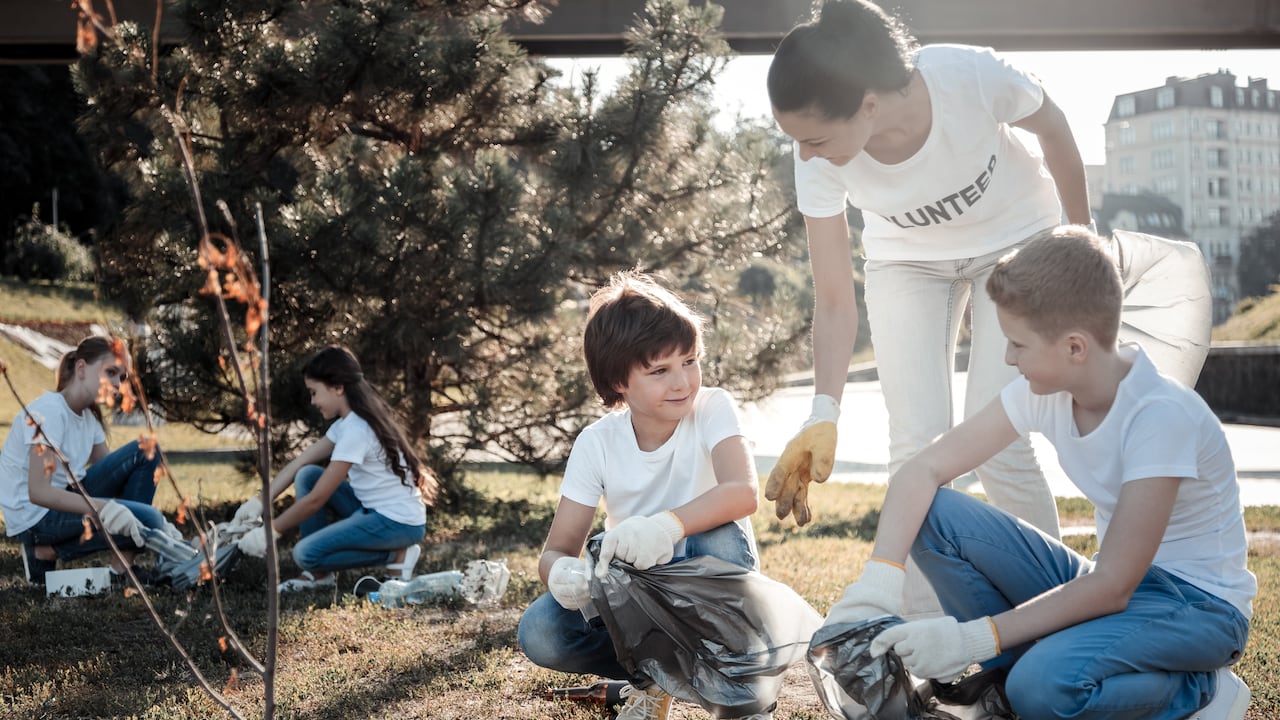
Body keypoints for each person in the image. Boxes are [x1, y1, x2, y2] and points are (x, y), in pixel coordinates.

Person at [825, 228, 1255, 719]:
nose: (1008, 358)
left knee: (1042, 689)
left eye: (1018, 344)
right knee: (934, 512)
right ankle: (1017, 674)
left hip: (1199, 608)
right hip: (1112, 582)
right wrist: (875, 587)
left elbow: (1115, 584)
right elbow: (923, 468)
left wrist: (970, 638)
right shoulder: (1043, 392)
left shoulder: (1162, 417)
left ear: (1074, 347)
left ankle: (1199, 691)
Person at [764, 0, 1093, 545]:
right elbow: (835, 301)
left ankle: (1051, 603)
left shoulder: (970, 76)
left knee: (1000, 437)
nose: (805, 154)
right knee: (915, 443)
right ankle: (916, 617)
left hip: (1015, 242)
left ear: (868, 105)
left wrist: (1084, 243)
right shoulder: (817, 160)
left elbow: (1054, 128)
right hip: (907, 261)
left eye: (815, 138)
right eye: (796, 139)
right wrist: (823, 412)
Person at [517, 272, 771, 720]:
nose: (682, 383)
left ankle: (739, 683)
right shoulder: (596, 443)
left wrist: (665, 527)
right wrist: (563, 574)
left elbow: (742, 493)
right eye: (659, 370)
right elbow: (556, 550)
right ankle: (650, 681)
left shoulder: (712, 407)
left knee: (719, 537)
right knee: (541, 630)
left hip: (712, 596)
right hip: (637, 603)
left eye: (689, 361)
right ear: (618, 382)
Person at [235, 346, 434, 592]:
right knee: (307, 474)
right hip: (373, 511)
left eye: (314, 392)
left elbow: (316, 499)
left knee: (304, 553)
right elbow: (300, 463)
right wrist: (259, 503)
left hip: (398, 523)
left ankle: (395, 554)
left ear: (338, 387)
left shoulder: (356, 430)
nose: (313, 401)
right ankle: (318, 576)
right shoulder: (347, 424)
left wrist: (271, 531)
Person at [0, 336, 176, 587]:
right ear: (81, 368)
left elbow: (119, 476)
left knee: (146, 453)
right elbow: (38, 492)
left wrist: (146, 518)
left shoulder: (88, 418)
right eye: (111, 372)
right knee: (145, 517)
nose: (117, 384)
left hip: (59, 500)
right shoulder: (50, 411)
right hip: (35, 518)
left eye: (122, 377)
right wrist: (108, 510)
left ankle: (121, 569)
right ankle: (43, 550)